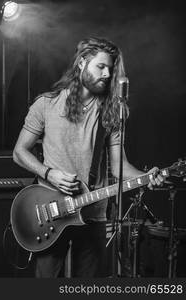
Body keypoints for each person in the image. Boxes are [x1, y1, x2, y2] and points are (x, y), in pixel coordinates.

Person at [13, 37, 165, 278]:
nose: (107, 74)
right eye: (101, 66)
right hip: (51, 213)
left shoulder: (112, 111)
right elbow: (19, 152)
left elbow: (118, 167)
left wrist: (147, 177)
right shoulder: (46, 104)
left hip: (93, 214)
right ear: (82, 63)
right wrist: (49, 173)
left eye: (110, 69)